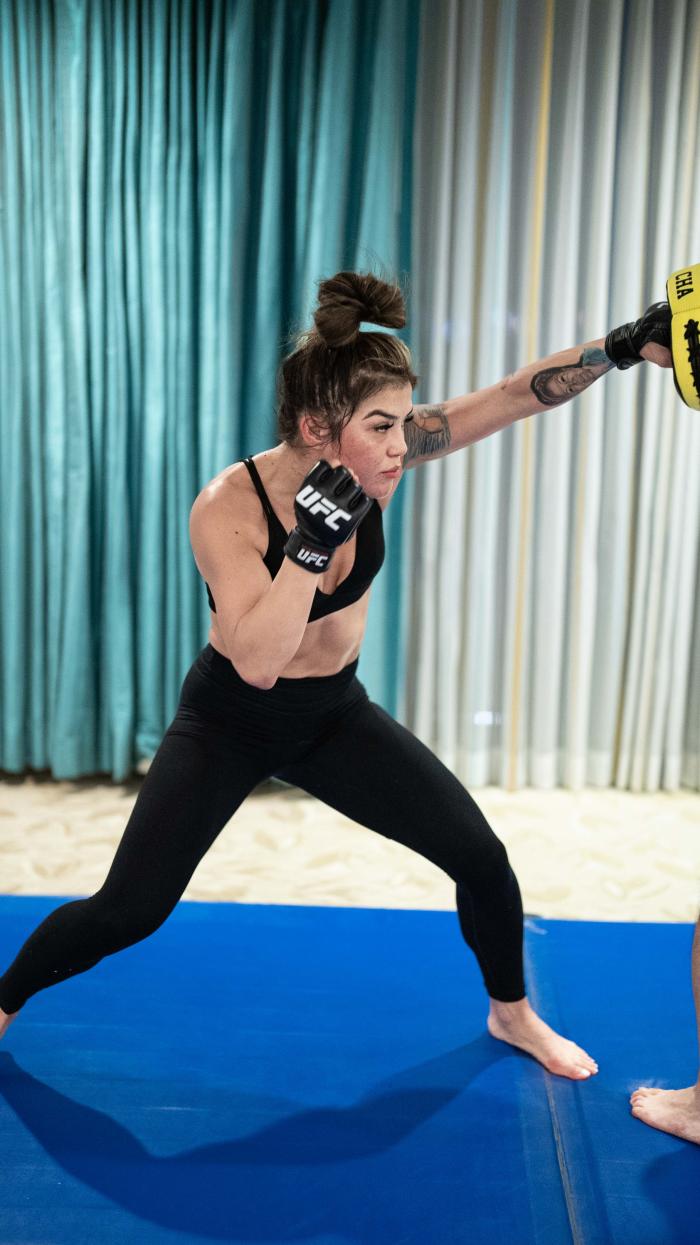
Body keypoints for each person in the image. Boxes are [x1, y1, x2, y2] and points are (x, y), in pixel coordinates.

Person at [0, 269, 673, 1090]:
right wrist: (306, 550)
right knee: (128, 911)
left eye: (405, 421)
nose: (403, 445)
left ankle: (511, 1012)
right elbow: (257, 660)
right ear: (318, 427)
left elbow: (509, 396)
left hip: (332, 716)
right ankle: (3, 1002)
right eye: (382, 426)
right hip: (231, 718)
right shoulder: (228, 508)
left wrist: (622, 346)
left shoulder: (383, 456)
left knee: (481, 856)